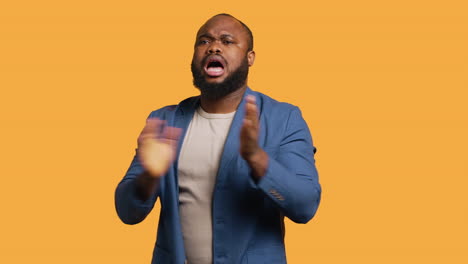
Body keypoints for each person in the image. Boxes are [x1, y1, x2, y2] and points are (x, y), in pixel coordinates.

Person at [115, 13, 321, 264]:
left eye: (227, 41)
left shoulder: (284, 118)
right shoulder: (163, 121)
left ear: (250, 58)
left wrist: (256, 159)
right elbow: (127, 212)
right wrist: (150, 175)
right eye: (204, 41)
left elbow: (305, 206)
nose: (213, 46)